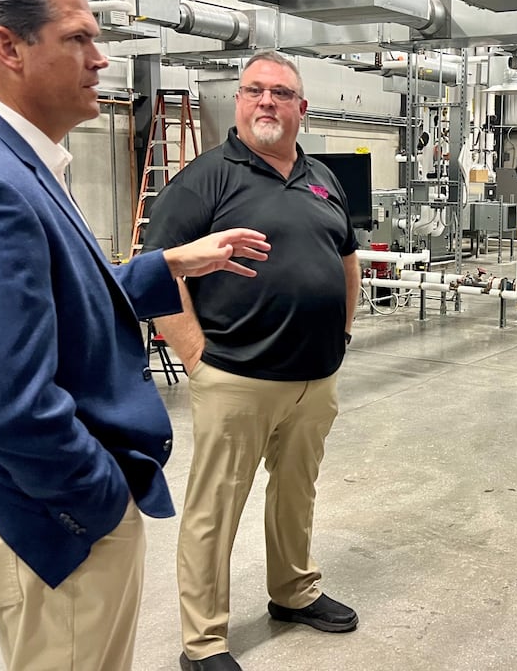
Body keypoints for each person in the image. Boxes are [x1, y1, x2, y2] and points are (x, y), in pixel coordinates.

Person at [0, 0, 271, 671]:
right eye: (79, 39)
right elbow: (10, 404)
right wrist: (98, 505)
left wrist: (168, 266)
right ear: (8, 47)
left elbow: (49, 307)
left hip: (42, 513)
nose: (102, 60)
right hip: (55, 527)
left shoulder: (1, 159)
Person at [143, 51, 362, 671]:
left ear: (301, 108)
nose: (267, 102)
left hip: (314, 379)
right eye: (255, 91)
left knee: (296, 494)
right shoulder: (207, 177)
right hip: (237, 377)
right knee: (215, 509)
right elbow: (158, 270)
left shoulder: (322, 178)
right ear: (239, 103)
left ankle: (293, 592)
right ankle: (204, 641)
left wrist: (340, 335)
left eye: (281, 93)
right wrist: (194, 355)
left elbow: (345, 257)